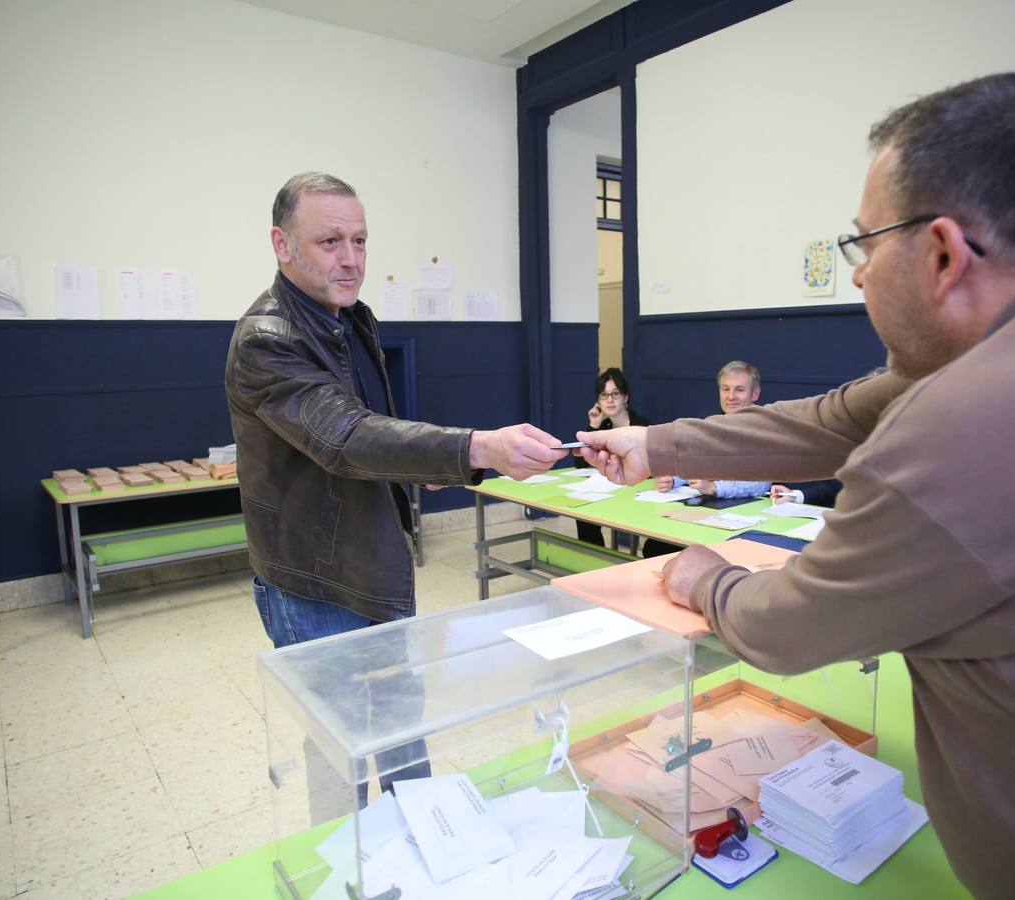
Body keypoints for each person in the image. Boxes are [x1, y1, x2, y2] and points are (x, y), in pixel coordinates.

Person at [576, 73, 1015, 899]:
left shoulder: (968, 425)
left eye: (864, 244)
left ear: (941, 253)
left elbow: (791, 631)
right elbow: (825, 422)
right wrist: (656, 444)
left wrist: (703, 576)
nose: (859, 276)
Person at [225, 172, 569, 809]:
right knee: (343, 758)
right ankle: (352, 866)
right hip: (316, 584)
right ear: (281, 243)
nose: (351, 258)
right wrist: (475, 447)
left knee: (403, 730)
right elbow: (344, 436)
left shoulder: (347, 318)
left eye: (359, 240)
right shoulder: (266, 340)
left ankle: (423, 837)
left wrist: (421, 467)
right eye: (329, 241)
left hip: (373, 563)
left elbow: (367, 432)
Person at [655, 361, 771, 500]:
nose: (731, 397)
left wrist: (714, 488)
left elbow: (760, 485)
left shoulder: (765, 431)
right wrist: (673, 479)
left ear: (755, 393)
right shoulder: (711, 426)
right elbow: (695, 465)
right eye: (725, 389)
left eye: (739, 390)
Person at [574, 367, 651, 548]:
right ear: (598, 401)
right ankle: (594, 561)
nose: (609, 400)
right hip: (610, 490)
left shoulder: (641, 426)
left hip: (637, 491)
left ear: (625, 397)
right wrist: (593, 426)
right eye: (604, 395)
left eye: (615, 394)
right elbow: (580, 464)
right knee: (584, 515)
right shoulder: (603, 427)